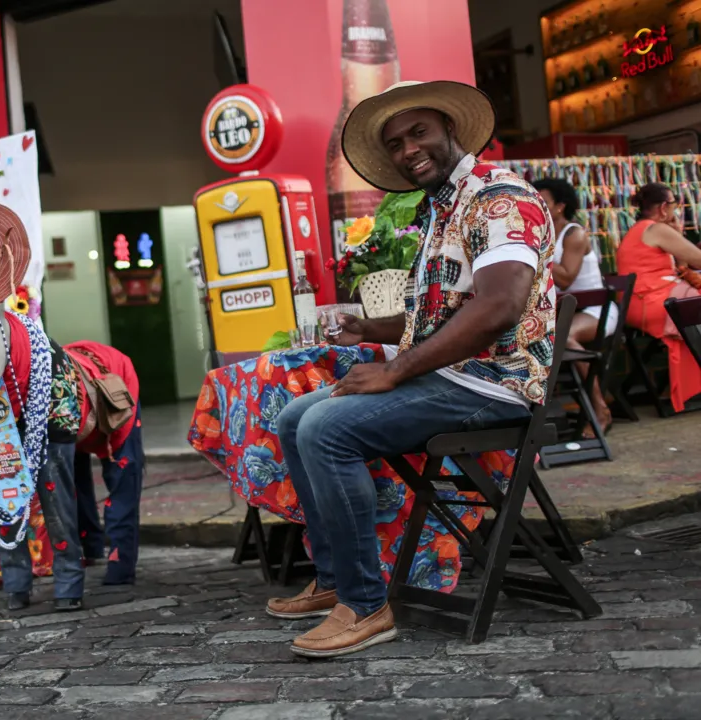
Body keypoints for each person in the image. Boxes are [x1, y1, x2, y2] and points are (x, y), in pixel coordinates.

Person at [267, 80, 555, 658]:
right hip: (450, 375)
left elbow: (498, 306)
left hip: (494, 383)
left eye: (417, 132)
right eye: (395, 143)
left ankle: (366, 605)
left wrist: (395, 372)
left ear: (451, 129)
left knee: (327, 429)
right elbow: (439, 312)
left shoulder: (499, 198)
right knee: (295, 417)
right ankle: (333, 579)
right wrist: (370, 331)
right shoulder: (441, 208)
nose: (407, 150)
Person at [533, 177, 616, 435]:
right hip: (565, 312)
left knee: (565, 338)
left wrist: (536, 250)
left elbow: (566, 278)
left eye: (543, 202)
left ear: (560, 206)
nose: (537, 206)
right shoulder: (542, 234)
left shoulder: (574, 233)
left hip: (596, 312)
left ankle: (601, 410)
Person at [615, 182, 701, 412]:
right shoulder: (655, 229)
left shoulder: (641, 229)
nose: (675, 211)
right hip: (654, 304)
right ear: (664, 207)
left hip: (639, 304)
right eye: (674, 205)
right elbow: (697, 260)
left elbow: (683, 264)